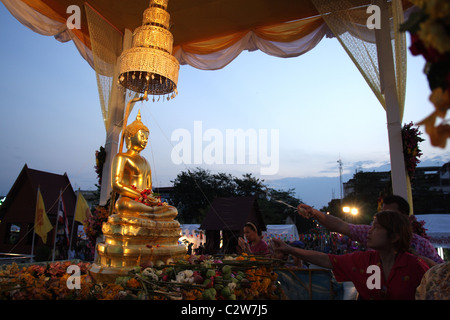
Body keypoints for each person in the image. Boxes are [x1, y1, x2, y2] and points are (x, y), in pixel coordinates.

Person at [273, 210, 430, 300]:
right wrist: (290, 250)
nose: (369, 231)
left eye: (376, 228)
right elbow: (327, 260)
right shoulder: (367, 261)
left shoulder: (415, 266)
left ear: (395, 236)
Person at [298, 195, 443, 266]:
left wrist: (420, 261)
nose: (370, 232)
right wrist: (314, 213)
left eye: (390, 216)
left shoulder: (421, 249)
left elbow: (441, 272)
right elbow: (340, 228)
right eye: (380, 217)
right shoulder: (367, 257)